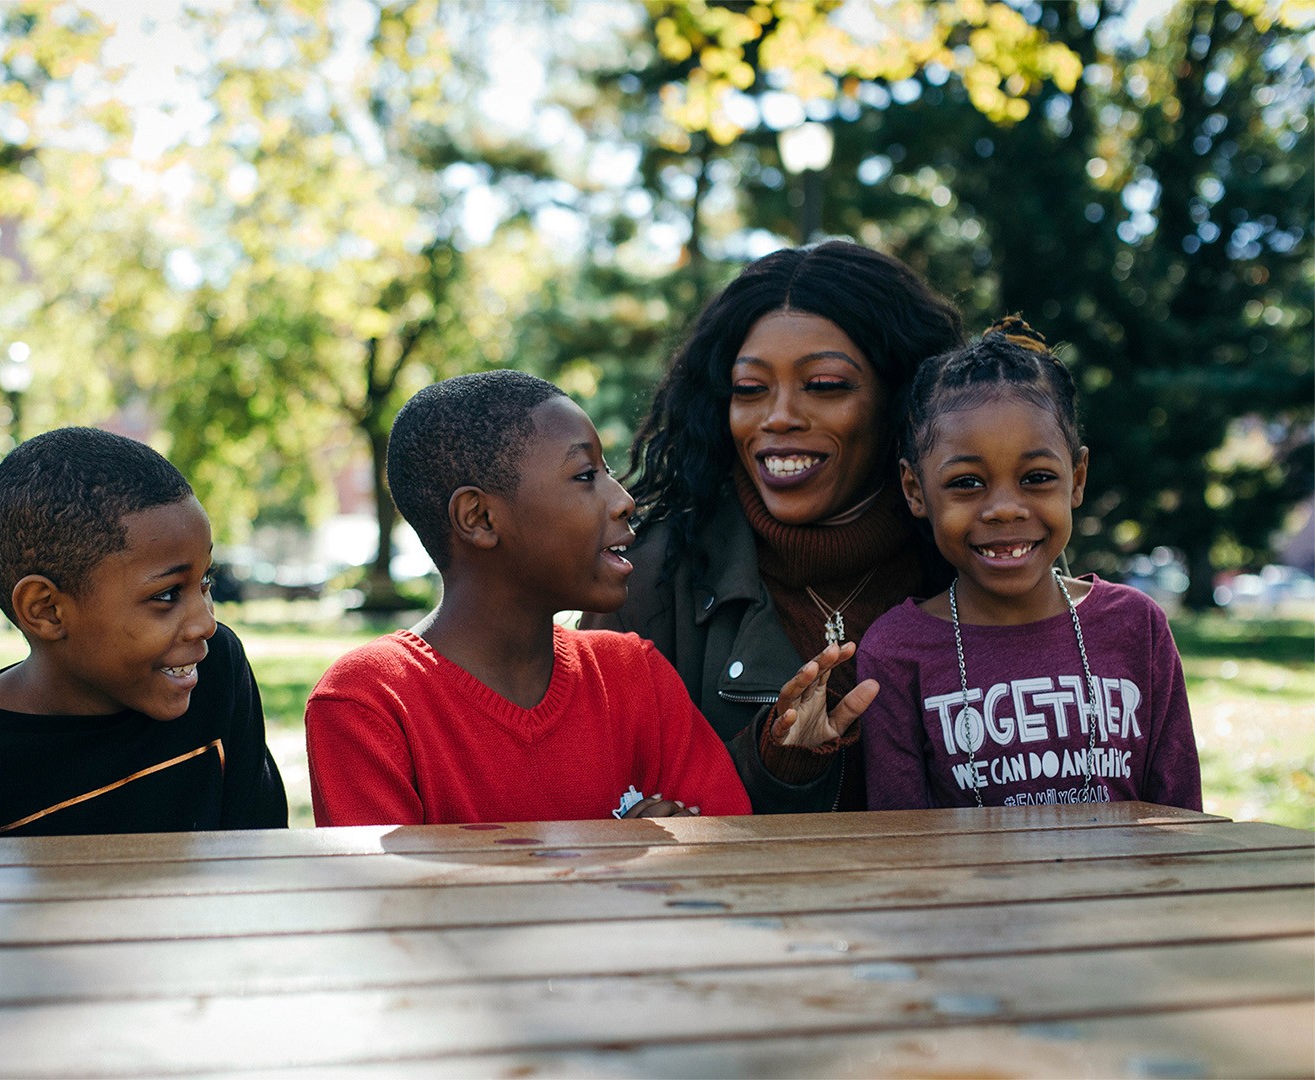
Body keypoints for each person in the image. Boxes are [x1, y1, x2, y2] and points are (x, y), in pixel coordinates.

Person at [583, 240, 965, 813]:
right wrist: (773, 761)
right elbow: (583, 793)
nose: (779, 415)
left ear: (901, 400)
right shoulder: (651, 578)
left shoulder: (969, 556)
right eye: (750, 389)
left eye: (825, 385)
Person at [305, 371, 752, 826]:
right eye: (585, 476)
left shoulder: (637, 674)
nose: (623, 500)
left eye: (609, 472)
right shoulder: (370, 702)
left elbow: (729, 854)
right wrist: (614, 860)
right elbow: (394, 896)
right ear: (479, 518)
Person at [859, 318, 1202, 810]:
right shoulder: (895, 651)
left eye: (1037, 477)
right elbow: (900, 845)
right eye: (966, 483)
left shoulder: (1136, 625)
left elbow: (1181, 817)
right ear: (916, 490)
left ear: (1077, 478)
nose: (1004, 508)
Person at [0, 427, 288, 839]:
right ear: (47, 611)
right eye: (166, 594)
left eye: (206, 580)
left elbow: (258, 865)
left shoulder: (217, 671)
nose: (206, 623)